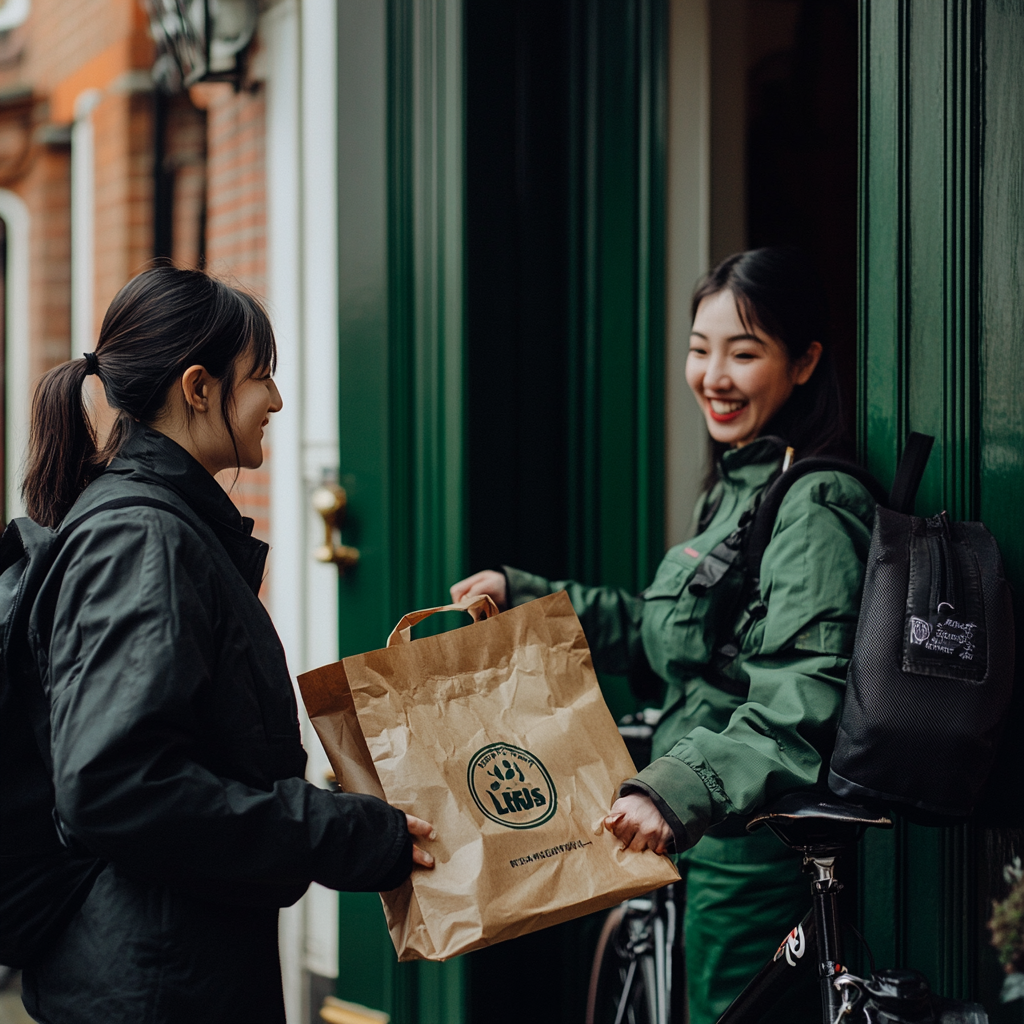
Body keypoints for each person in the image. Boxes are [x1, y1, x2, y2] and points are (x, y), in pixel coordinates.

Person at [451, 247, 874, 1023]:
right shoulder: (748, 482)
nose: (714, 375)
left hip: (753, 849)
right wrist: (527, 599)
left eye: (744, 353)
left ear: (805, 361)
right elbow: (669, 636)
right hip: (708, 837)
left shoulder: (815, 504)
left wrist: (675, 787)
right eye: (699, 349)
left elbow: (801, 700)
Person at [18, 267, 435, 1024]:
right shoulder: (144, 539)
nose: (275, 400)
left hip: (158, 966)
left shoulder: (154, 527)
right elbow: (116, 784)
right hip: (152, 984)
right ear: (199, 387)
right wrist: (335, 831)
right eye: (262, 377)